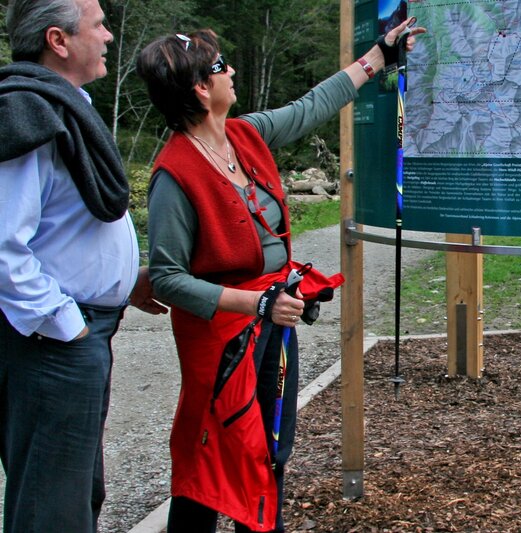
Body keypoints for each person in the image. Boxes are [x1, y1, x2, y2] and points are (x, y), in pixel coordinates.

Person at [136, 18, 425, 532]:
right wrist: (256, 304)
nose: (232, 71)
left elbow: (311, 106)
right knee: (214, 445)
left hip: (273, 318)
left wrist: (379, 55)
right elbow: (166, 278)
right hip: (223, 335)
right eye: (221, 66)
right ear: (202, 89)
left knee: (272, 441)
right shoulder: (173, 175)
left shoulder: (243, 135)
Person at [0, 0, 166, 531]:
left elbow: (63, 227)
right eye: (97, 25)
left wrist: (121, 283)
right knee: (53, 507)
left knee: (73, 493)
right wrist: (64, 324)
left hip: (75, 335)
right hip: (52, 345)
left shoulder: (62, 105)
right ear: (58, 40)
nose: (110, 36)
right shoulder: (28, 114)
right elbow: (3, 244)